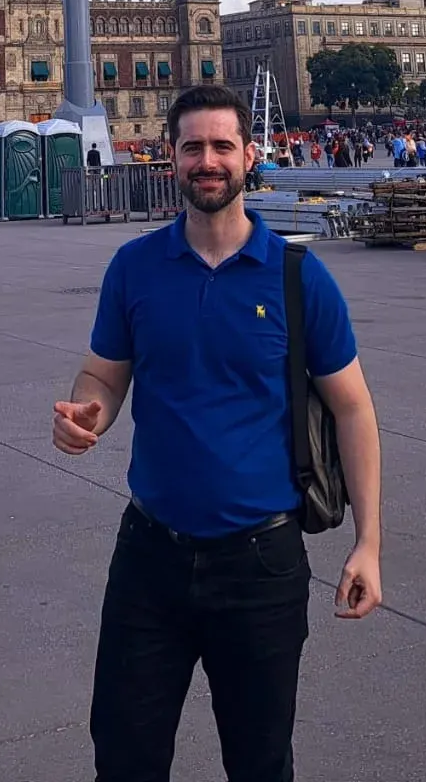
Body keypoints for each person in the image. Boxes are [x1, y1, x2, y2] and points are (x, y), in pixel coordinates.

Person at [53, 83, 382, 782]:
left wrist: (369, 544)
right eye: (193, 146)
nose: (208, 161)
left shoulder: (298, 277)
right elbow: (102, 375)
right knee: (124, 756)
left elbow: (354, 409)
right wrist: (88, 412)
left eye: (222, 146)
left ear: (249, 155)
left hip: (261, 562)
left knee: (260, 763)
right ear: (170, 156)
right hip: (150, 555)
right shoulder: (135, 267)